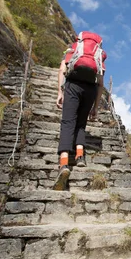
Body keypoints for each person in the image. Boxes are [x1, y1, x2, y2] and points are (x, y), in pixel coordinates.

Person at [53, 31, 106, 190]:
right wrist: (95, 107)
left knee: (68, 121)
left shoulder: (74, 49)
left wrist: (60, 92)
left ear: (80, 39)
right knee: (81, 124)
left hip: (73, 85)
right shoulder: (99, 54)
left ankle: (63, 164)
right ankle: (80, 156)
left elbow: (62, 69)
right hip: (90, 89)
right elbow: (101, 83)